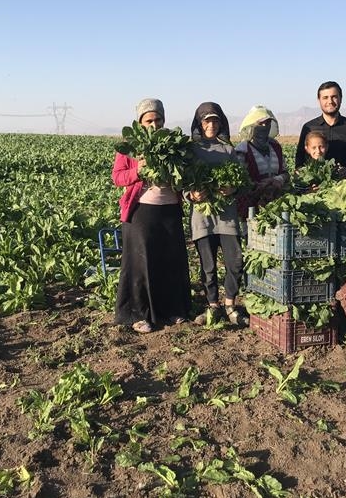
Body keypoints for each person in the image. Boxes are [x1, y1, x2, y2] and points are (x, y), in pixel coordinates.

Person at [111, 98, 192, 333]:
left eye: (158, 119)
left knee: (171, 261)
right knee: (140, 263)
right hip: (142, 211)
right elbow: (117, 177)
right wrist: (139, 169)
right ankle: (138, 314)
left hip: (170, 210)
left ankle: (173, 310)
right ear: (139, 123)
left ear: (164, 120)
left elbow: (184, 176)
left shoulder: (173, 144)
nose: (154, 124)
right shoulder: (129, 146)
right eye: (149, 120)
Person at [186, 102, 248, 327]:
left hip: (227, 216)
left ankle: (230, 304)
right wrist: (192, 195)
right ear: (199, 124)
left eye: (215, 120)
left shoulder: (228, 149)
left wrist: (233, 189)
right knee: (208, 266)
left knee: (236, 261)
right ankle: (213, 305)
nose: (211, 124)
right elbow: (182, 184)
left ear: (220, 123)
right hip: (202, 218)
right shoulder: (191, 150)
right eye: (206, 121)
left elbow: (241, 181)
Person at [295, 81, 346, 177]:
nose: (330, 101)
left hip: (345, 187)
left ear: (340, 99)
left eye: (334, 97)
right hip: (315, 188)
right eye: (325, 98)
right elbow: (300, 160)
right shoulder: (309, 127)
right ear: (319, 100)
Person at [235, 105, 289, 220]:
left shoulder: (275, 147)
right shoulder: (243, 150)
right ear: (252, 125)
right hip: (251, 209)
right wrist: (258, 187)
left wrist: (277, 180)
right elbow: (240, 181)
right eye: (260, 124)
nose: (264, 127)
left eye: (267, 123)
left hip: (277, 206)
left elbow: (285, 172)